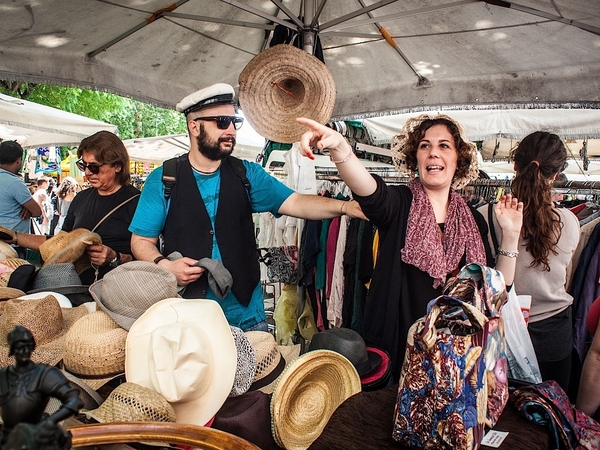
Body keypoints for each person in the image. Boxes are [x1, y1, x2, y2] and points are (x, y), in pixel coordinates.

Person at [296, 114, 523, 379]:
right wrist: (340, 149)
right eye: (424, 146)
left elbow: (496, 291)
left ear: (458, 159)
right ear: (415, 158)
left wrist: (511, 234)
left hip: (456, 362)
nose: (433, 153)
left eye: (444, 146)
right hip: (399, 356)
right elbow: (371, 193)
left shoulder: (472, 221)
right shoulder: (399, 204)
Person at [129, 83, 364, 332]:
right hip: (188, 318)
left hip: (248, 318)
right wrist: (164, 265)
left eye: (234, 122)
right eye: (221, 122)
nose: (231, 130)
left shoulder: (247, 174)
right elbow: (141, 240)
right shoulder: (164, 179)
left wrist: (345, 207)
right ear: (194, 125)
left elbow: (295, 202)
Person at [480, 131, 579, 392]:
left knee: (503, 417)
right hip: (554, 331)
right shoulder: (569, 222)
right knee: (552, 414)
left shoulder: (486, 215)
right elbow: (565, 276)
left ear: (515, 166)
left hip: (502, 332)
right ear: (555, 175)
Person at [1, 131, 140, 284]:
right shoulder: (81, 198)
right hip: (74, 285)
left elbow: (150, 258)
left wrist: (116, 257)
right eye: (83, 165)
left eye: (94, 167)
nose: (87, 172)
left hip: (117, 288)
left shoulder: (137, 202)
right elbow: (58, 243)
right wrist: (14, 236)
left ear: (118, 166)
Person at [0, 325, 83, 446]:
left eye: (27, 346)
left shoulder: (44, 374)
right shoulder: (3, 375)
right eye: (19, 347)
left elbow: (74, 400)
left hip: (36, 438)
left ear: (32, 347)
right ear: (13, 349)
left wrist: (50, 421)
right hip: (8, 438)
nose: (23, 351)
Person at [0, 141, 42, 258]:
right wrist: (27, 207)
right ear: (18, 160)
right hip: (11, 245)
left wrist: (25, 207)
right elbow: (37, 212)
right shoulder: (14, 183)